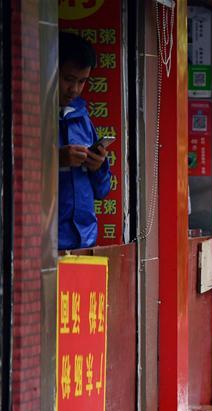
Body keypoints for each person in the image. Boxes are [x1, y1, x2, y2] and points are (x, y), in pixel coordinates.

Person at [58, 31, 111, 251]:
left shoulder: (82, 118)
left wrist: (98, 166)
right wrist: (55, 160)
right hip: (43, 243)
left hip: (84, 242)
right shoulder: (29, 116)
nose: (75, 90)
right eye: (68, 79)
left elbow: (102, 190)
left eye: (82, 82)